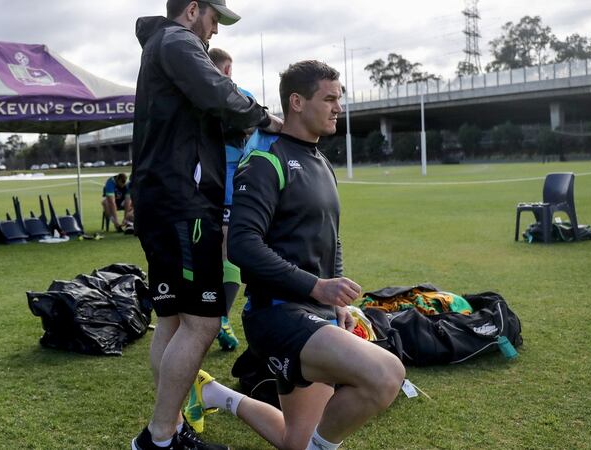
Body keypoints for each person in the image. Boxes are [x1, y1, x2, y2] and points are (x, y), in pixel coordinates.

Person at [187, 61, 406, 450]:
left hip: (319, 315)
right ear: (297, 102)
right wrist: (316, 286)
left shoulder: (321, 163)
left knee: (295, 441)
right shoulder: (265, 162)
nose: (338, 107)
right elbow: (242, 245)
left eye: (340, 98)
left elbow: (332, 238)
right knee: (386, 374)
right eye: (329, 98)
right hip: (277, 315)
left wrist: (336, 300)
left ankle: (217, 395)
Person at [131, 0, 283, 449]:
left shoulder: (160, 45)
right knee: (202, 323)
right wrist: (262, 118)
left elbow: (204, 113)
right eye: (215, 20)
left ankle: (170, 429)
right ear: (193, 9)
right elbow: (220, 93)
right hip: (182, 203)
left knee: (174, 321)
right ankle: (159, 437)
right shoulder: (178, 40)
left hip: (163, 199)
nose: (216, 31)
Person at [207, 47, 250, 353]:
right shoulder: (235, 93)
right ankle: (220, 318)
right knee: (229, 254)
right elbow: (256, 121)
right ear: (225, 70)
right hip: (228, 190)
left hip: (197, 190)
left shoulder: (190, 97)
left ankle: (211, 317)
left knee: (207, 257)